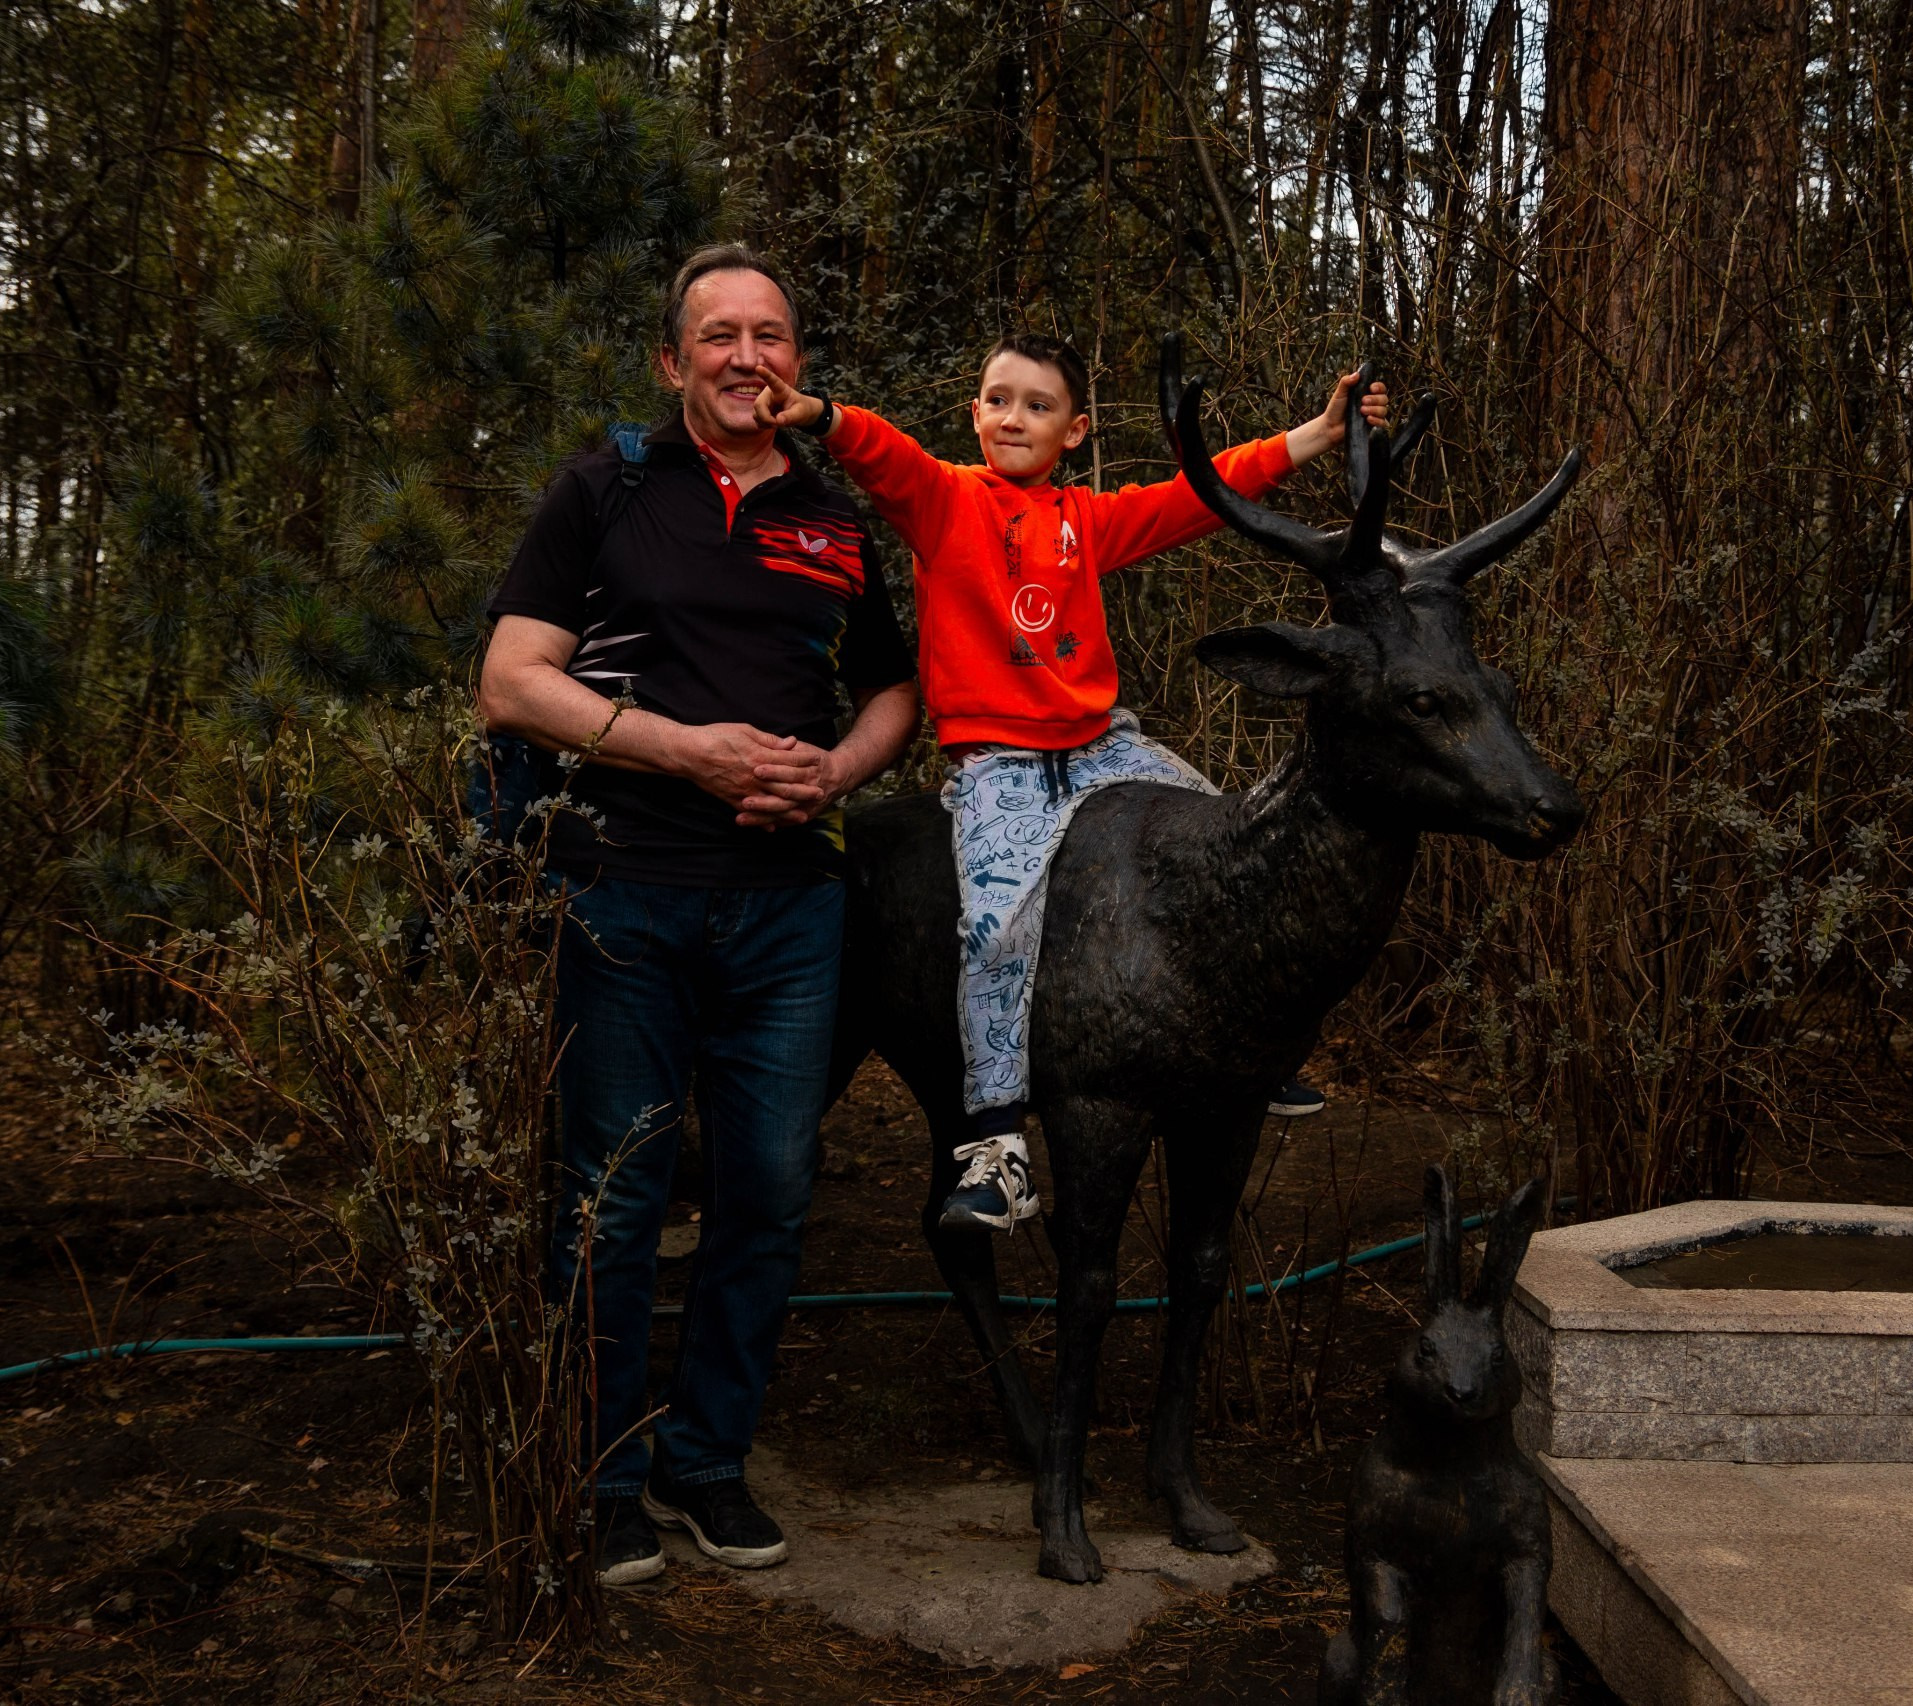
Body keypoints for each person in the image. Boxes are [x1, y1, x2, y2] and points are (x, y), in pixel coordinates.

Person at [477, 245, 920, 1588]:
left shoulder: (835, 520)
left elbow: (895, 692)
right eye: (718, 334)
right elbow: (511, 680)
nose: (746, 355)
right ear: (674, 361)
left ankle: (706, 1462)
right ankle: (604, 1472)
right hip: (626, 891)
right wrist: (688, 753)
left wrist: (836, 770)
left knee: (767, 1192)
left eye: (769, 334)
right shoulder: (604, 489)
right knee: (613, 1194)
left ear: (797, 361)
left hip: (791, 912)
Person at [755, 335, 1381, 1232]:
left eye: (1038, 405)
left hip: (1099, 746)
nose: (1013, 418)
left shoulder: (1087, 520)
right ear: (974, 414)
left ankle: (1248, 1050)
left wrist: (1316, 434)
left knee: (1221, 832)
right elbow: (883, 452)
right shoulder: (945, 500)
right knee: (995, 924)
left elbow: (1198, 494)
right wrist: (821, 415)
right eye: (998, 400)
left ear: (1076, 431)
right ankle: (998, 1145)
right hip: (999, 764)